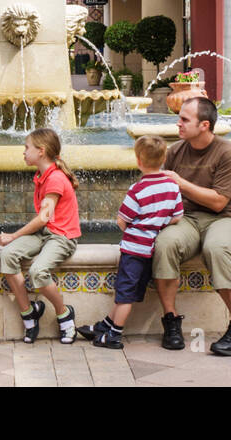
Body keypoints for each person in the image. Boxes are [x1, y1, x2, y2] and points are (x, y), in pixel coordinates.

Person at [152, 97, 231, 357]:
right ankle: (171, 320)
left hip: (223, 218)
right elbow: (166, 195)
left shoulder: (228, 152)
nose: (178, 124)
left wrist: (181, 183)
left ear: (204, 125)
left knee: (216, 248)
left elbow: (219, 202)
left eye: (185, 119)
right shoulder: (174, 152)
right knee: (164, 244)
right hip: (186, 218)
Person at [77, 135, 183, 349]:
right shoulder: (172, 186)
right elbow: (178, 216)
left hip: (133, 251)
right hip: (151, 249)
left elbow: (121, 221)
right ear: (163, 159)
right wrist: (158, 224)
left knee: (124, 296)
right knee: (129, 293)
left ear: (138, 161)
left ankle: (114, 335)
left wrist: (134, 232)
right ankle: (105, 325)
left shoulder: (137, 190)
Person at [0, 128, 81, 344]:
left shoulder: (55, 179)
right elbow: (43, 223)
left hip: (61, 236)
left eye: (27, 148)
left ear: (41, 151)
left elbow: (43, 217)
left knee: (38, 271)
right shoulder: (43, 175)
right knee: (7, 256)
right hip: (44, 234)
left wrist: (13, 236)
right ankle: (29, 312)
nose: (23, 152)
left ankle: (64, 314)